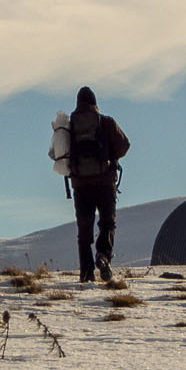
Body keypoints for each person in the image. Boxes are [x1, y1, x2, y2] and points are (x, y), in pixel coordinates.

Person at [65, 86, 129, 283]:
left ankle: (86, 273)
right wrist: (109, 156)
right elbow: (124, 145)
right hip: (104, 183)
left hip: (81, 185)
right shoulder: (106, 122)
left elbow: (56, 153)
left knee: (84, 230)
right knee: (107, 223)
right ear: (95, 103)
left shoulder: (68, 126)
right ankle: (103, 254)